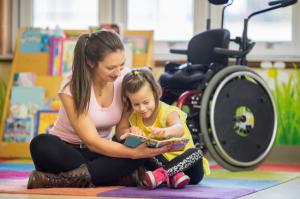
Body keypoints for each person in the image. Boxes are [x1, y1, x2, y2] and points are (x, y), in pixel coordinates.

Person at [27, 30, 170, 189]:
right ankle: (108, 176)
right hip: (68, 151)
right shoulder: (73, 84)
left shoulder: (125, 78)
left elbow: (121, 128)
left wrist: (132, 132)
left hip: (103, 151)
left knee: (139, 151)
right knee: (40, 144)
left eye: (121, 65)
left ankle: (63, 179)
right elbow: (92, 141)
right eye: (111, 67)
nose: (118, 72)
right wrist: (134, 153)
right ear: (90, 62)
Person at [120, 68, 210, 189]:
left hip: (190, 170)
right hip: (161, 164)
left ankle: (162, 175)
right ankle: (173, 176)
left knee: (197, 153)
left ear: (156, 93)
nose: (142, 108)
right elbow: (120, 133)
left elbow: (179, 128)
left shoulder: (168, 112)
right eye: (136, 104)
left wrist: (166, 131)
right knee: (143, 150)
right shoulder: (135, 117)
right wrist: (130, 132)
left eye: (146, 102)